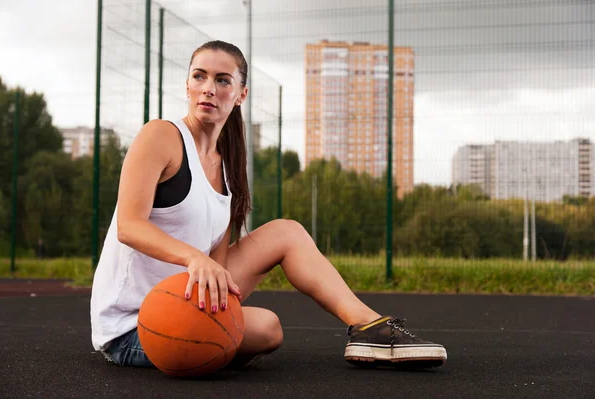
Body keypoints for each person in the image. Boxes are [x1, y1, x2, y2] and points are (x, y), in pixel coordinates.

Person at [90, 40, 447, 370]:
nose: (209, 88)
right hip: (134, 325)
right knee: (266, 328)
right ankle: (204, 346)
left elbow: (218, 259)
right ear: (187, 85)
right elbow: (129, 226)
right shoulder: (161, 136)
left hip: (182, 297)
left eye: (222, 79)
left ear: (241, 94)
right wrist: (193, 259)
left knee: (286, 232)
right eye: (199, 76)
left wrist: (218, 298)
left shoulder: (227, 163)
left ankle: (371, 329)